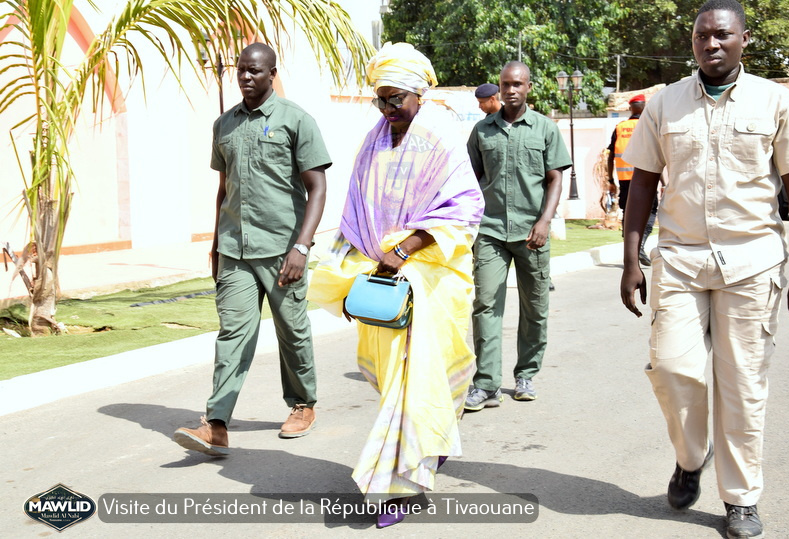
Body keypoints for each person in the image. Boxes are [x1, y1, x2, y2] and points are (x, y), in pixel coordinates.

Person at [620, 1, 789, 537]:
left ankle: (741, 498)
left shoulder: (777, 102)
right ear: (693, 41)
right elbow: (644, 184)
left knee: (743, 384)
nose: (711, 44)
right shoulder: (665, 103)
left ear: (744, 39)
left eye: (722, 35)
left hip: (753, 260)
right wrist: (632, 259)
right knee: (674, 371)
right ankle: (691, 454)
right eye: (702, 36)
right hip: (679, 257)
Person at [308, 42, 484, 528]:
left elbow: (463, 207)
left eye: (395, 100)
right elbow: (356, 211)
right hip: (382, 278)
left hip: (431, 277)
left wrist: (404, 251)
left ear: (419, 93)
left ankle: (397, 484)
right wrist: (352, 278)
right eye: (380, 99)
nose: (387, 109)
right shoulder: (373, 138)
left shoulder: (442, 135)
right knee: (395, 384)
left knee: (417, 383)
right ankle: (432, 443)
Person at [173, 43, 331, 455]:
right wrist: (214, 246)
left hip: (283, 249)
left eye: (255, 71)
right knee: (233, 334)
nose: (245, 77)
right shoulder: (223, 125)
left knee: (292, 331)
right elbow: (224, 190)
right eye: (241, 70)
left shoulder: (296, 120)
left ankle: (302, 403)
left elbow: (317, 188)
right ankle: (217, 422)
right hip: (235, 250)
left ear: (272, 74)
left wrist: (301, 245)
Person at [465, 61, 572, 411]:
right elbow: (470, 182)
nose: (511, 90)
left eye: (518, 84)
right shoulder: (482, 132)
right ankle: (486, 384)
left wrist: (544, 222)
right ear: (499, 87)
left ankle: (526, 374)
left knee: (535, 308)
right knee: (485, 307)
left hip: (532, 233)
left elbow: (556, 178)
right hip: (491, 231)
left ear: (528, 87)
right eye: (505, 84)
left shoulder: (544, 128)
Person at [607, 94, 661, 266]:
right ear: (644, 108)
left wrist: (610, 179)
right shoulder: (649, 125)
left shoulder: (620, 127)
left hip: (624, 179)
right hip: (647, 179)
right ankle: (641, 245)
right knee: (651, 212)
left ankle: (633, 249)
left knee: (628, 213)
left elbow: (610, 156)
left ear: (631, 108)